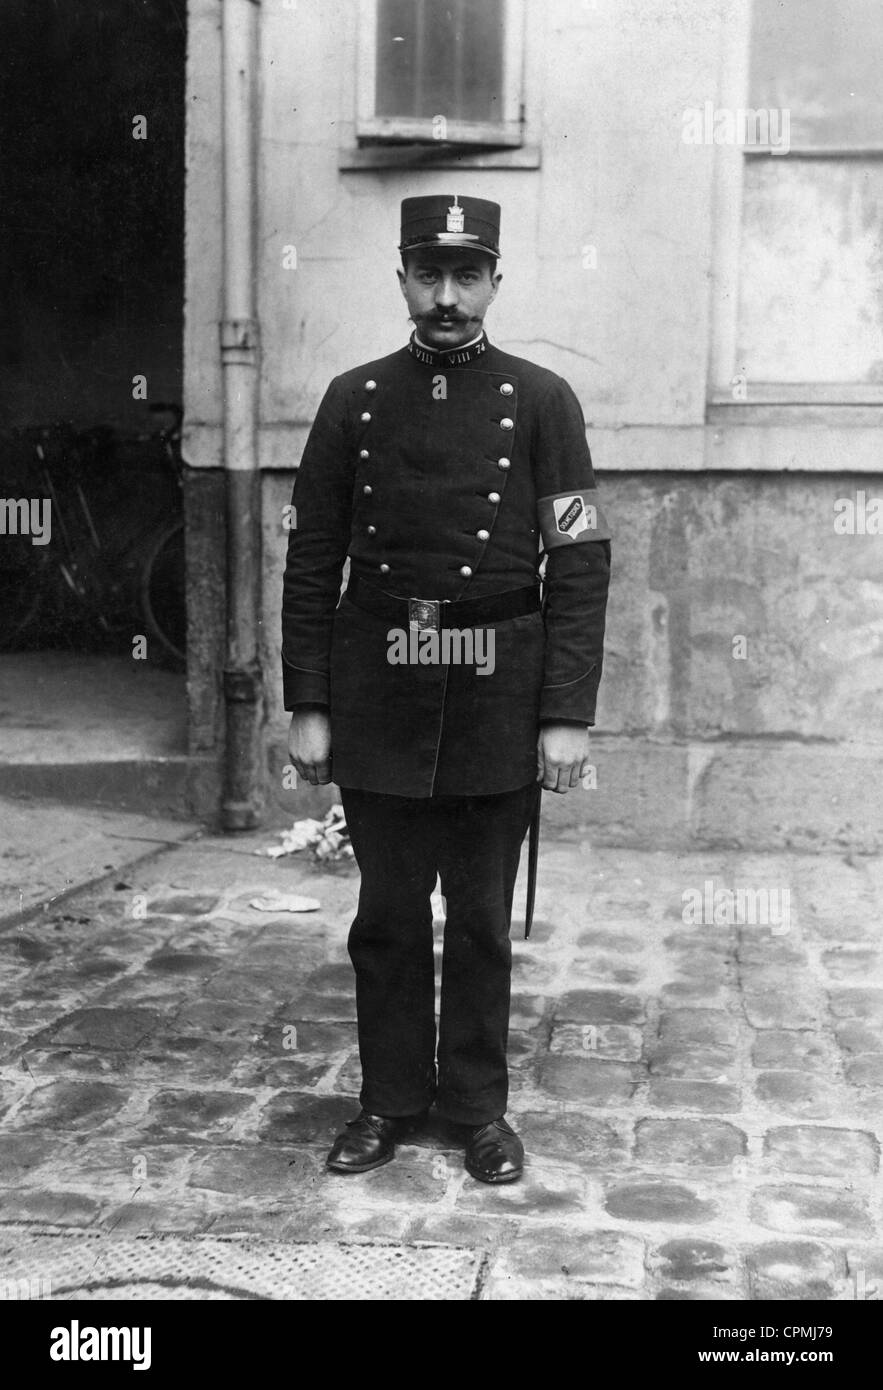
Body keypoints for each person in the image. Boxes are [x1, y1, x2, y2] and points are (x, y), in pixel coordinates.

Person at [281, 194, 611, 1183]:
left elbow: (581, 564)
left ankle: (475, 1109)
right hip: (380, 681)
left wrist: (563, 715)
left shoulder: (544, 400)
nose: (447, 297)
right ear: (401, 281)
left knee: (477, 914)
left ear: (495, 283)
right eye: (428, 273)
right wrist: (309, 701)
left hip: (495, 692)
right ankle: (386, 1101)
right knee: (385, 912)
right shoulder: (353, 399)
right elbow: (311, 562)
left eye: (467, 276)